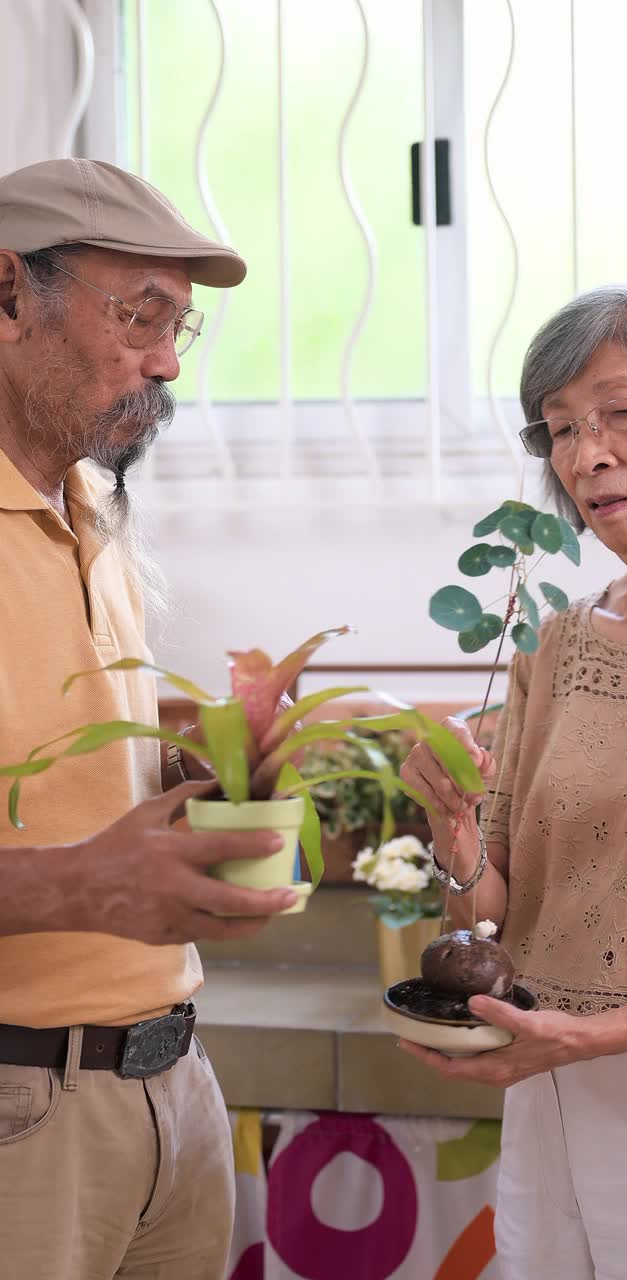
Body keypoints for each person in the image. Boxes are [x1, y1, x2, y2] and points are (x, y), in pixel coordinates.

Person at [0, 157, 298, 1279]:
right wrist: (77, 885)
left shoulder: (86, 503)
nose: (168, 359)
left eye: (183, 325)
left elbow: (63, 731)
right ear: (8, 295)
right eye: (141, 314)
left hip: (171, 1083)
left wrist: (233, 747)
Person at [401, 279, 627, 1280]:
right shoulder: (562, 644)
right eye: (560, 430)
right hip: (544, 1091)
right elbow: (492, 902)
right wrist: (453, 840)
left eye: (623, 412)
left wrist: (588, 1038)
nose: (587, 454)